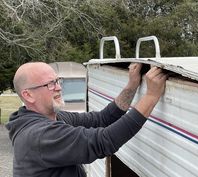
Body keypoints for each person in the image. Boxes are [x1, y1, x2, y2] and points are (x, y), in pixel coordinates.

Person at [6, 62, 167, 177]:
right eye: (50, 84)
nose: (59, 87)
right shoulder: (39, 136)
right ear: (28, 95)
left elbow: (102, 118)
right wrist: (151, 96)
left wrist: (132, 85)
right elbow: (103, 142)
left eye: (57, 81)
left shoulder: (54, 118)